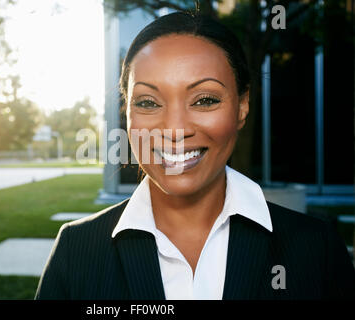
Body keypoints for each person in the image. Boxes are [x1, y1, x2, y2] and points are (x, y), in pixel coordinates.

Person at [35, 11, 355, 300]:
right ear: (127, 113)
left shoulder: (316, 248)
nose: (175, 130)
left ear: (242, 106)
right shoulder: (76, 250)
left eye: (204, 100)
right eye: (148, 102)